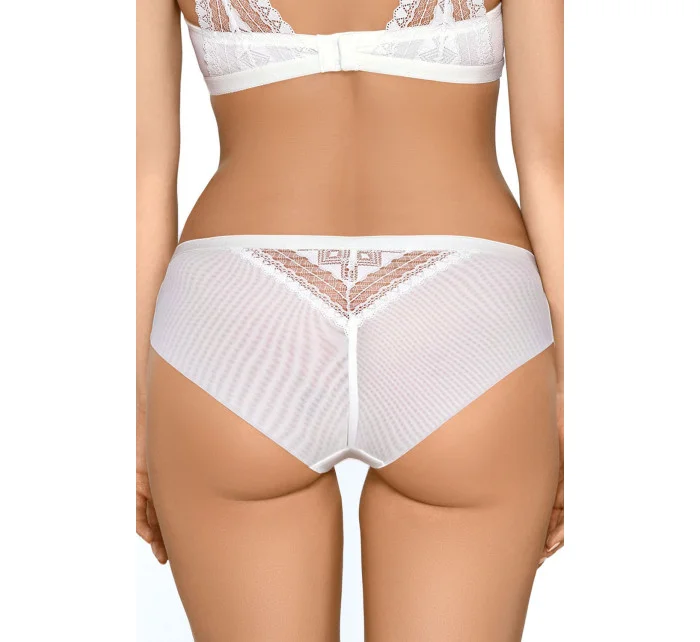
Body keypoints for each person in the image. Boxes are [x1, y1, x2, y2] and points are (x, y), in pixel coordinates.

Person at [136, 0, 563, 639]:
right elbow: (553, 168)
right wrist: (576, 394)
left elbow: (139, 178)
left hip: (239, 324)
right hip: (463, 314)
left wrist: (136, 409)